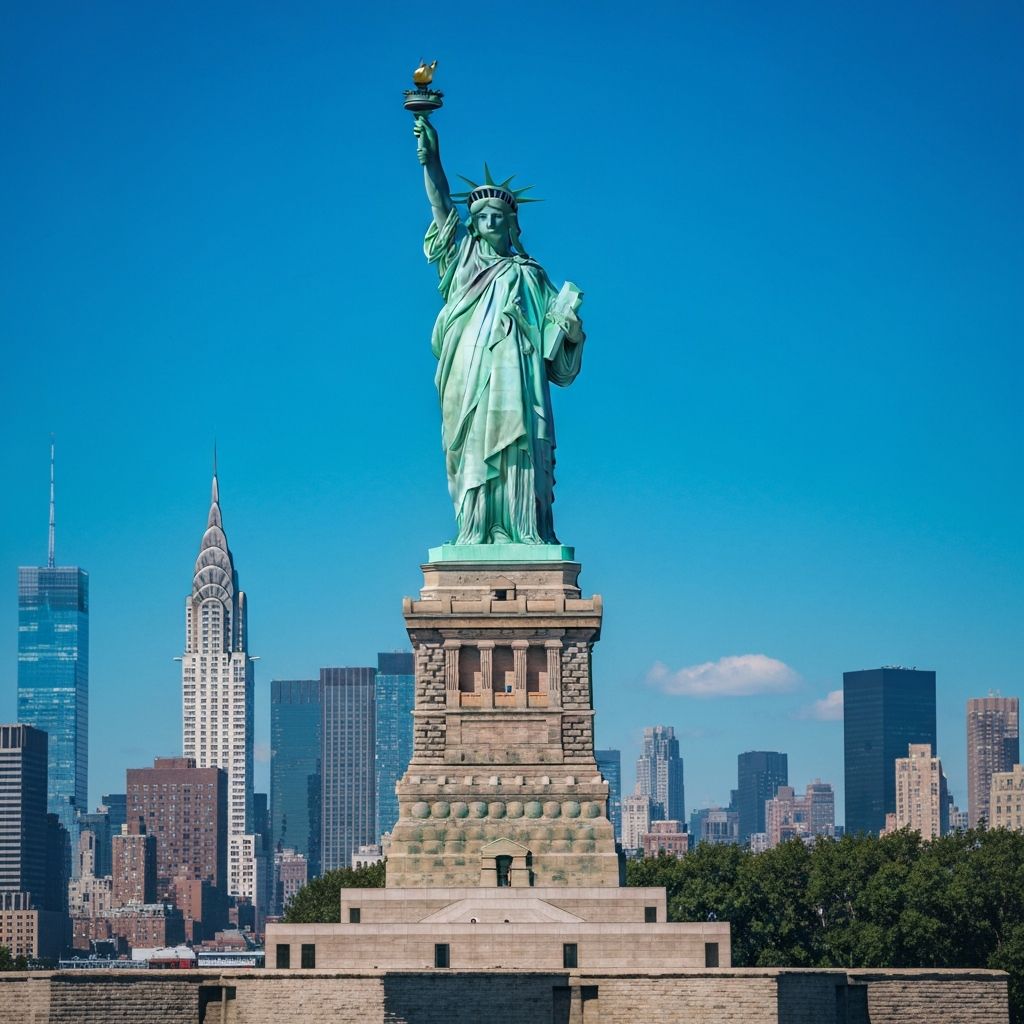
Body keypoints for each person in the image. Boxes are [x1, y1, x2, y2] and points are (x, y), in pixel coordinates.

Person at [414, 114, 585, 546]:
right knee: (474, 445)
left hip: (520, 384)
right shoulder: (462, 264)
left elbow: (559, 360)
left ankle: (523, 529)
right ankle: (476, 529)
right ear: (473, 225)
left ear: (511, 225)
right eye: (482, 217)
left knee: (520, 444)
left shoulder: (531, 275)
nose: (489, 223)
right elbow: (439, 207)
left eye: (497, 217)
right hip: (469, 376)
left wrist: (571, 330)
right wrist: (431, 160)